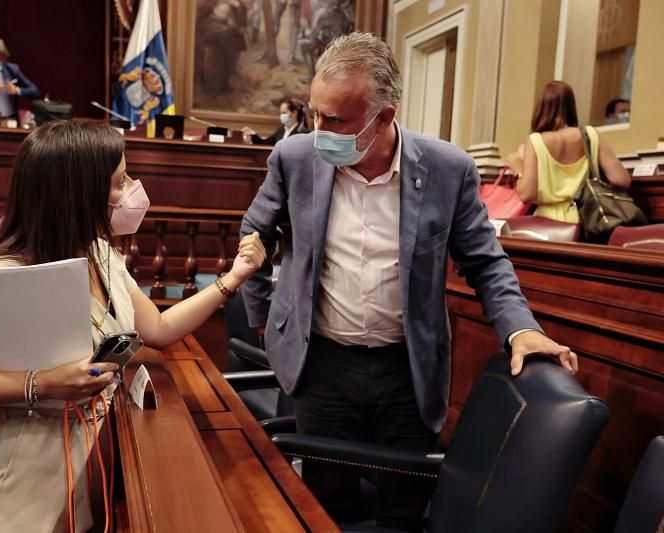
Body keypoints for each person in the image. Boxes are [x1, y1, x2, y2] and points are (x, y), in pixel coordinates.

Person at [240, 32, 578, 530]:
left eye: (336, 120)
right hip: (323, 365)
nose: (320, 130)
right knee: (324, 507)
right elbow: (255, 233)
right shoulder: (295, 158)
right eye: (316, 114)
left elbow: (485, 262)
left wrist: (519, 327)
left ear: (385, 117)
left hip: (408, 371)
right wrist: (265, 319)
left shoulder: (447, 169)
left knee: (402, 508)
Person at [0, 120, 265, 533]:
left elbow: (160, 329)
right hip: (29, 476)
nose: (132, 189)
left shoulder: (100, 253)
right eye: (118, 182)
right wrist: (42, 382)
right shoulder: (2, 274)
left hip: (100, 455)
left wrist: (232, 278)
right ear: (77, 194)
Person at [507, 81, 631, 224]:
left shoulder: (535, 142)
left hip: (547, 223)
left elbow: (527, 195)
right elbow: (622, 179)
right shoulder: (591, 135)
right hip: (587, 219)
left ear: (541, 107)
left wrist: (520, 170)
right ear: (571, 106)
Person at [242, 97, 309, 145]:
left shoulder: (303, 133)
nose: (281, 116)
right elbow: (266, 144)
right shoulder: (281, 130)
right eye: (281, 113)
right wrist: (253, 134)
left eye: (284, 113)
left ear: (294, 113)